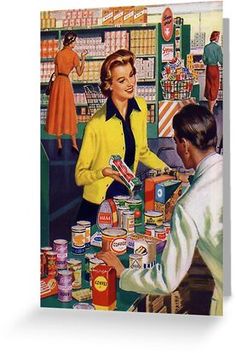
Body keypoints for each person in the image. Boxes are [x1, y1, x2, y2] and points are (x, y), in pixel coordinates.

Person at [98, 104, 223, 316]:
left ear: (184, 145)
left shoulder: (188, 205)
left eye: (175, 141)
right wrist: (178, 176)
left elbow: (167, 280)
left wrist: (123, 273)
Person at [75, 49, 170, 225]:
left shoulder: (140, 108)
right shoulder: (96, 124)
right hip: (97, 205)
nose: (130, 83)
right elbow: (80, 176)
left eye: (131, 75)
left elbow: (143, 151)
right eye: (121, 80)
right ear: (109, 85)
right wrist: (104, 172)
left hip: (125, 198)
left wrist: (170, 172)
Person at [45, 31, 88, 152]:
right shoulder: (74, 55)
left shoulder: (59, 54)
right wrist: (83, 59)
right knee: (69, 112)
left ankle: (59, 145)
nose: (75, 43)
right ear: (71, 41)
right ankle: (74, 144)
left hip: (58, 84)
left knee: (58, 111)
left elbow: (56, 73)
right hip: (66, 84)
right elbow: (79, 73)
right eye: (75, 41)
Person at [203, 31, 223, 113]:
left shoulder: (206, 47)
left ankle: (210, 107)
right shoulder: (218, 47)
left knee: (209, 86)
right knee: (215, 86)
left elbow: (204, 59)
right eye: (218, 37)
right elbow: (221, 59)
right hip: (215, 68)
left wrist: (207, 62)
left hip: (208, 68)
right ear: (216, 37)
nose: (219, 38)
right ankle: (211, 109)